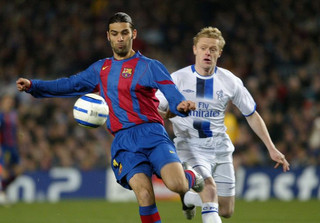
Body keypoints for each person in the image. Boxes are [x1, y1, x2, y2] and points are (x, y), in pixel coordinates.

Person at [16, 12, 204, 222]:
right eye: (115, 34)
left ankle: (191, 177)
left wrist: (181, 105)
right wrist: (34, 86)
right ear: (108, 36)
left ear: (133, 34)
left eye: (124, 33)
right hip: (124, 142)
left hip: (152, 134)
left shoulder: (150, 66)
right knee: (144, 194)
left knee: (176, 184)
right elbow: (68, 84)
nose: (120, 38)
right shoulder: (100, 69)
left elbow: (173, 95)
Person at [156, 27, 290, 223]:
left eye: (212, 49)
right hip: (190, 146)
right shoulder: (176, 79)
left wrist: (271, 147)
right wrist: (170, 113)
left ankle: (188, 197)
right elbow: (153, 108)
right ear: (194, 50)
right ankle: (196, 194)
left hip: (220, 147)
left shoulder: (230, 81)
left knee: (226, 210)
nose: (207, 53)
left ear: (220, 52)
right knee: (209, 189)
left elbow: (251, 114)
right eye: (203, 48)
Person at [0, 94, 22, 206]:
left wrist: (20, 139)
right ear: (2, 102)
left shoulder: (14, 115)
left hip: (13, 147)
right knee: (4, 171)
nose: (10, 103)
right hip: (4, 147)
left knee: (19, 170)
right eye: (7, 101)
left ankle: (4, 189)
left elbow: (16, 130)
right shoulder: (1, 115)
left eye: (11, 101)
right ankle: (2, 193)